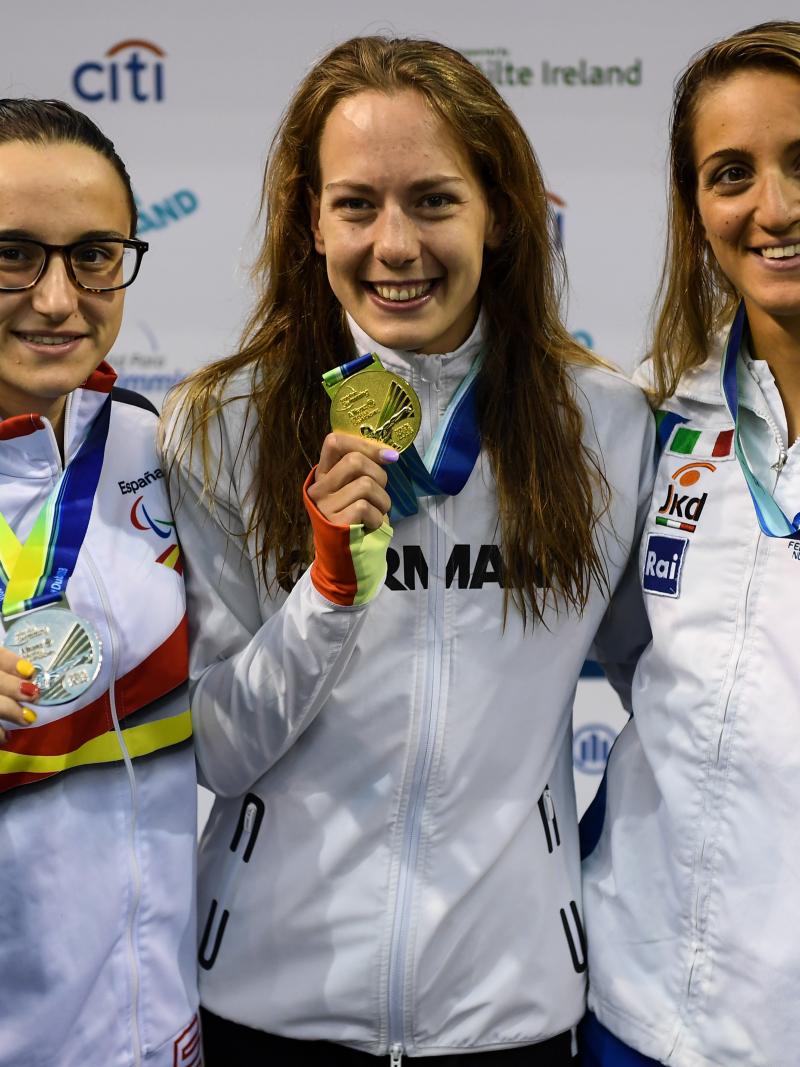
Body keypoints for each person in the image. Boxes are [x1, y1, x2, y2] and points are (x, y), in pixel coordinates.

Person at [164, 36, 653, 1066]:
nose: (395, 244)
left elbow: (669, 677)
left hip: (508, 1010)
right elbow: (211, 744)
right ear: (310, 221)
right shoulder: (220, 420)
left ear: (499, 213)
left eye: (432, 200)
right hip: (270, 1003)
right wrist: (326, 592)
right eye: (356, 205)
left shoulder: (602, 421)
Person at [580, 20, 800, 1067]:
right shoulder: (660, 423)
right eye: (731, 174)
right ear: (693, 208)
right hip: (635, 998)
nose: (774, 207)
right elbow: (629, 658)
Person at [0, 100, 199, 1067]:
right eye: (11, 254)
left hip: (157, 1030)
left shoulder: (159, 448)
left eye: (93, 254)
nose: (55, 298)